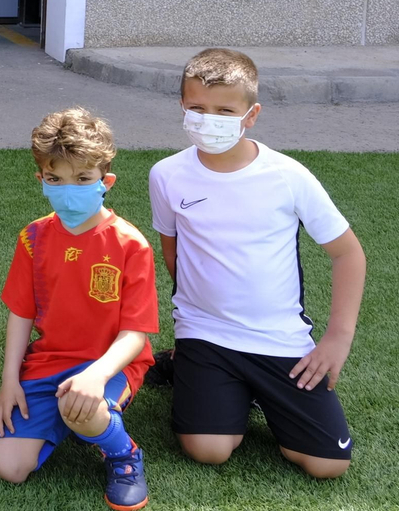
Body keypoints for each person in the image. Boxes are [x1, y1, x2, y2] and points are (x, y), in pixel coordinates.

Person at [149, 49, 365, 479]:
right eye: (197, 109)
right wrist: (194, 314)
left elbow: (348, 253)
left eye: (225, 110)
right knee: (209, 449)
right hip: (206, 333)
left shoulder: (288, 176)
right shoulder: (167, 174)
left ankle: (233, 385)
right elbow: (171, 248)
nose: (209, 120)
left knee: (328, 465)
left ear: (251, 114)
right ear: (182, 108)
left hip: (279, 338)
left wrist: (338, 338)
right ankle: (185, 361)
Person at [0, 109, 156, 511]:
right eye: (55, 179)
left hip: (110, 365)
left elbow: (136, 334)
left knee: (80, 405)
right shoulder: (32, 238)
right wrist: (9, 381)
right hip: (49, 363)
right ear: (41, 180)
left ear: (105, 181)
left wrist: (95, 376)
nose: (68, 189)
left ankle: (123, 454)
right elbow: (21, 314)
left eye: (82, 179)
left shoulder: (131, 244)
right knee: (5, 466)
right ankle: (76, 420)